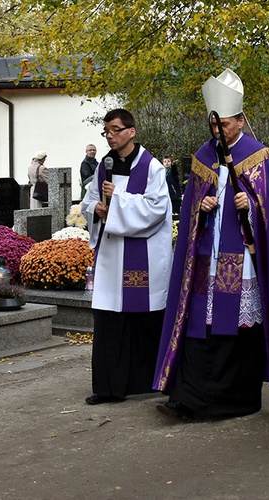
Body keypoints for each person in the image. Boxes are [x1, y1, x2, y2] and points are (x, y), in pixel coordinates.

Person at [154, 68, 269, 420]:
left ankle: (231, 400)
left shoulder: (261, 158)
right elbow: (190, 205)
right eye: (213, 125)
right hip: (205, 256)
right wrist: (201, 207)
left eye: (223, 124)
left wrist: (252, 208)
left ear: (239, 121)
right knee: (199, 323)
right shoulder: (202, 157)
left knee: (233, 328)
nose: (217, 131)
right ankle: (189, 396)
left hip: (241, 259)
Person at [82, 109, 172, 405]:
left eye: (116, 129)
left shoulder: (152, 167)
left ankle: (149, 382)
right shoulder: (102, 167)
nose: (110, 135)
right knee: (110, 320)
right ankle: (109, 387)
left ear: (131, 131)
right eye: (106, 130)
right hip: (111, 255)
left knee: (143, 319)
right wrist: (95, 208)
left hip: (141, 255)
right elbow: (90, 199)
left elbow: (157, 209)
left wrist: (117, 200)